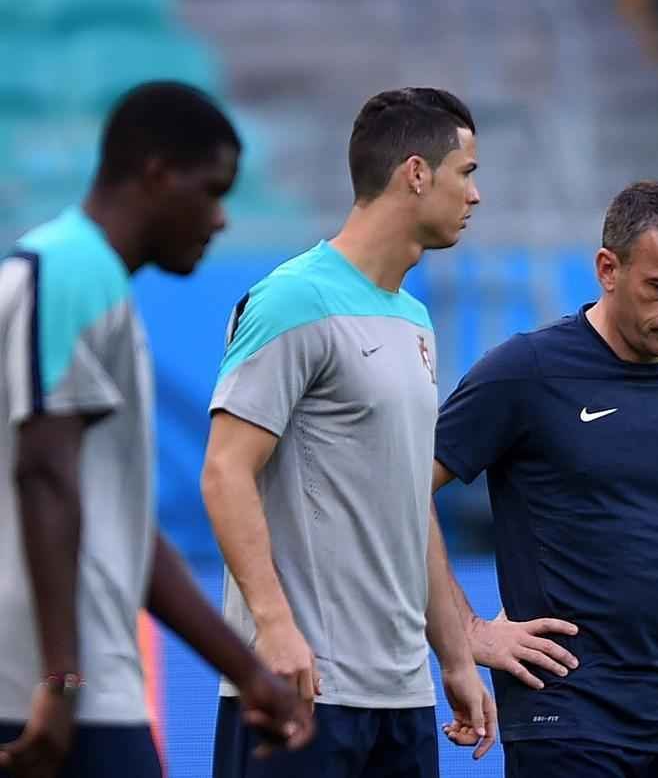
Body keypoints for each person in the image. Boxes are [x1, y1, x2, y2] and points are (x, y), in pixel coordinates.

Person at [0, 81, 314, 778]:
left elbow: (121, 534)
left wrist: (249, 674)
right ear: (157, 173)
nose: (222, 218)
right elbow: (42, 474)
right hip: (45, 694)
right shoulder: (69, 269)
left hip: (84, 688)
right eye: (212, 191)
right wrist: (60, 681)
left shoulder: (92, 283)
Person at [202, 88, 495, 778]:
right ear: (416, 173)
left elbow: (408, 498)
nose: (475, 195)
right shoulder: (292, 299)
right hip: (302, 686)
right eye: (467, 172)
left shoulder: (414, 318)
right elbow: (224, 471)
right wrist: (274, 626)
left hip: (402, 698)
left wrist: (453, 656)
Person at [431, 180, 658, 778]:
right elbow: (403, 489)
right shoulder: (526, 371)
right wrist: (467, 631)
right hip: (564, 717)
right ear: (608, 269)